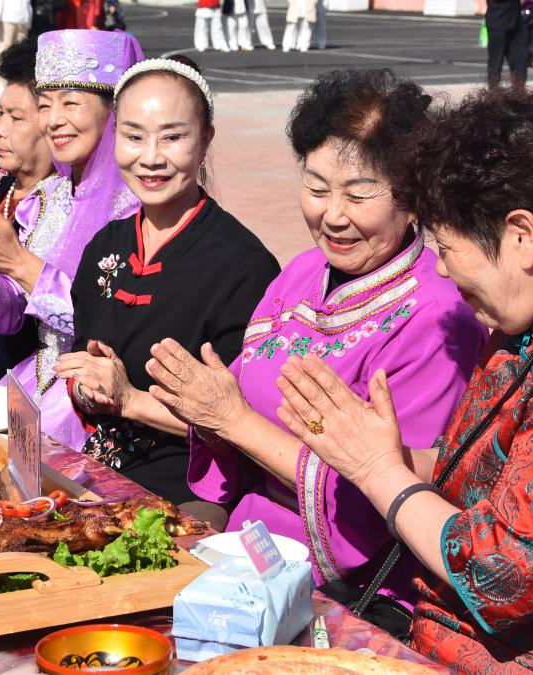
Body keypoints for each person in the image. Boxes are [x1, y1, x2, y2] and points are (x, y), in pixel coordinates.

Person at [276, 86, 533, 672]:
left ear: (522, 236)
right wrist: (382, 453)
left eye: (448, 248)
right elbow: (487, 478)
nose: (443, 270)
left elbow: (505, 577)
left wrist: (378, 473)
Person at [146, 70, 487, 596]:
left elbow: (390, 495)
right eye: (316, 188)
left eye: (359, 194)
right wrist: (207, 413)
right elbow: (235, 407)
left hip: (351, 584)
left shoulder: (439, 317)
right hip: (250, 545)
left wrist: (234, 421)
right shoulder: (301, 273)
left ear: (412, 196)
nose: (332, 216)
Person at [53, 57, 280, 505]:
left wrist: (130, 400)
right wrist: (86, 386)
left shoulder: (243, 266)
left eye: (172, 137)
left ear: (205, 140)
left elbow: (244, 422)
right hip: (96, 466)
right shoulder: (106, 244)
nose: (151, 157)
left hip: (189, 488)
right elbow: (82, 359)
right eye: (134, 136)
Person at [0, 30, 144, 424]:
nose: (54, 120)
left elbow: (112, 323)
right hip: (33, 383)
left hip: (95, 402)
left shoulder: (136, 209)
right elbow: (14, 315)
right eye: (45, 105)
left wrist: (19, 264)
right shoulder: (48, 198)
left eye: (71, 103)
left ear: (114, 110)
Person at [0, 0, 32, 97]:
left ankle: (19, 82)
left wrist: (28, 19)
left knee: (22, 54)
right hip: (6, 19)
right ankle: (0, 84)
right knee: (2, 52)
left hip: (22, 20)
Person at [485, 0, 528, 86]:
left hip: (516, 21)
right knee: (496, 63)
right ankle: (493, 91)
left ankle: (519, 91)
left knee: (520, 61)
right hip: (498, 19)